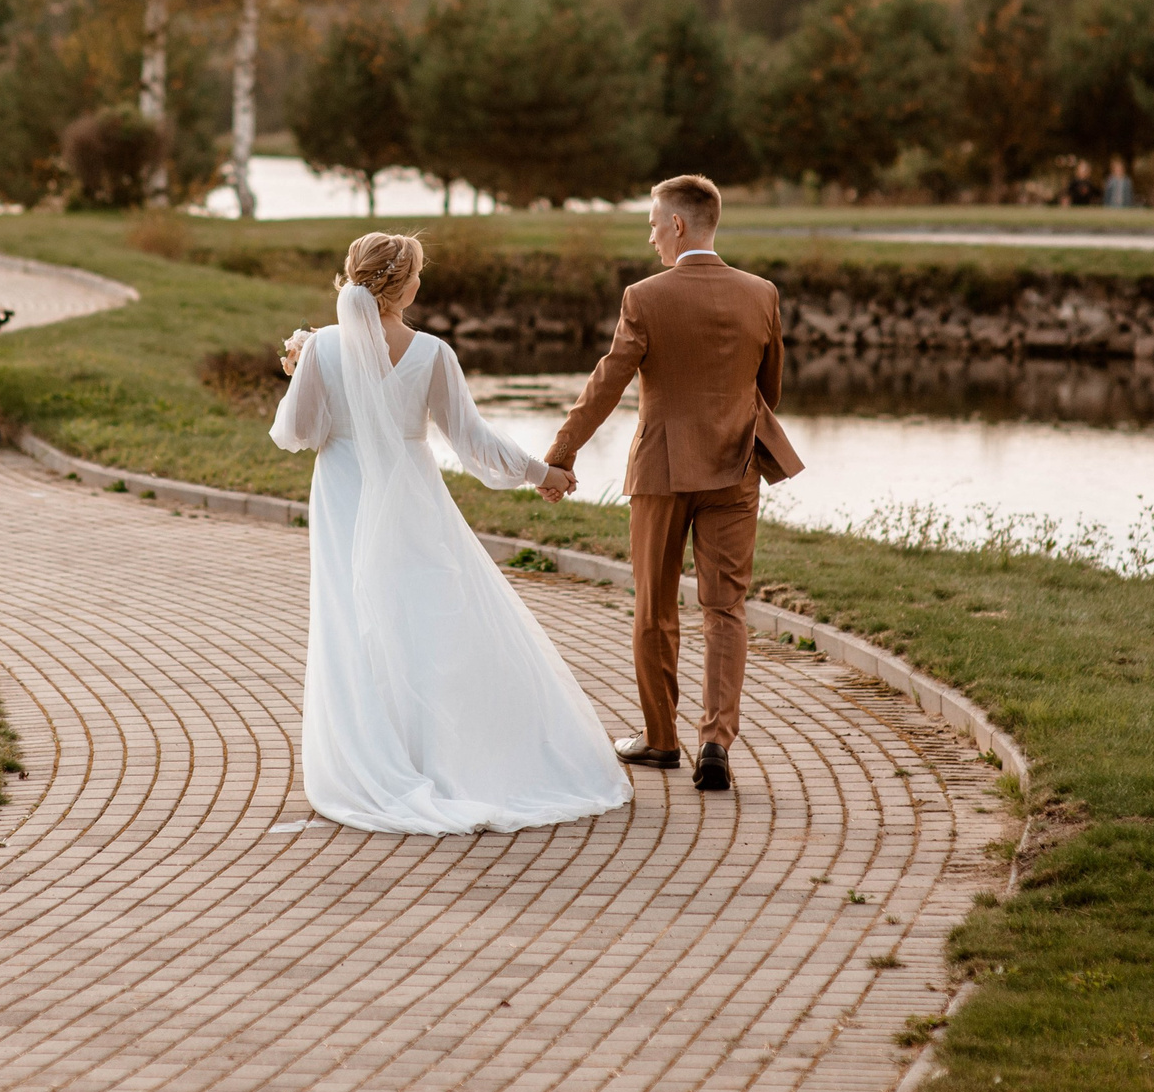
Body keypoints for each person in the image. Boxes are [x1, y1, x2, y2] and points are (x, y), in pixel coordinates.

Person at [268, 232, 632, 834]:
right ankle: (442, 754)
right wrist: (542, 473)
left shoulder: (323, 347)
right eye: (418, 273)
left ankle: (374, 755)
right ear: (402, 287)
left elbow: (296, 433)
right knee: (424, 615)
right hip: (412, 496)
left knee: (351, 615)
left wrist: (302, 368)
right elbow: (473, 442)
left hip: (343, 493)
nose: (421, 281)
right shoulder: (433, 353)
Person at [539, 175, 802, 793]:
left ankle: (661, 740)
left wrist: (561, 455)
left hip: (661, 471)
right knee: (725, 608)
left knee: (655, 608)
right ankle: (716, 742)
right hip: (735, 469)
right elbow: (770, 388)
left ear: (678, 224)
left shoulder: (644, 297)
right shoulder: (761, 293)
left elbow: (607, 383)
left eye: (654, 223)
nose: (652, 236)